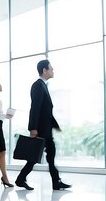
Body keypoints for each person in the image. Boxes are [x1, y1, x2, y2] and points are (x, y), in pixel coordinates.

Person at [15, 60, 70, 191]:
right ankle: (21, 179)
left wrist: (55, 125)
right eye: (51, 68)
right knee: (35, 156)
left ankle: (55, 181)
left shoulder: (43, 85)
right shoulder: (38, 85)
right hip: (40, 129)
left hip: (46, 128)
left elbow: (46, 109)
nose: (53, 70)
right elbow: (35, 108)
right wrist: (33, 128)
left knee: (48, 156)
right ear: (44, 70)